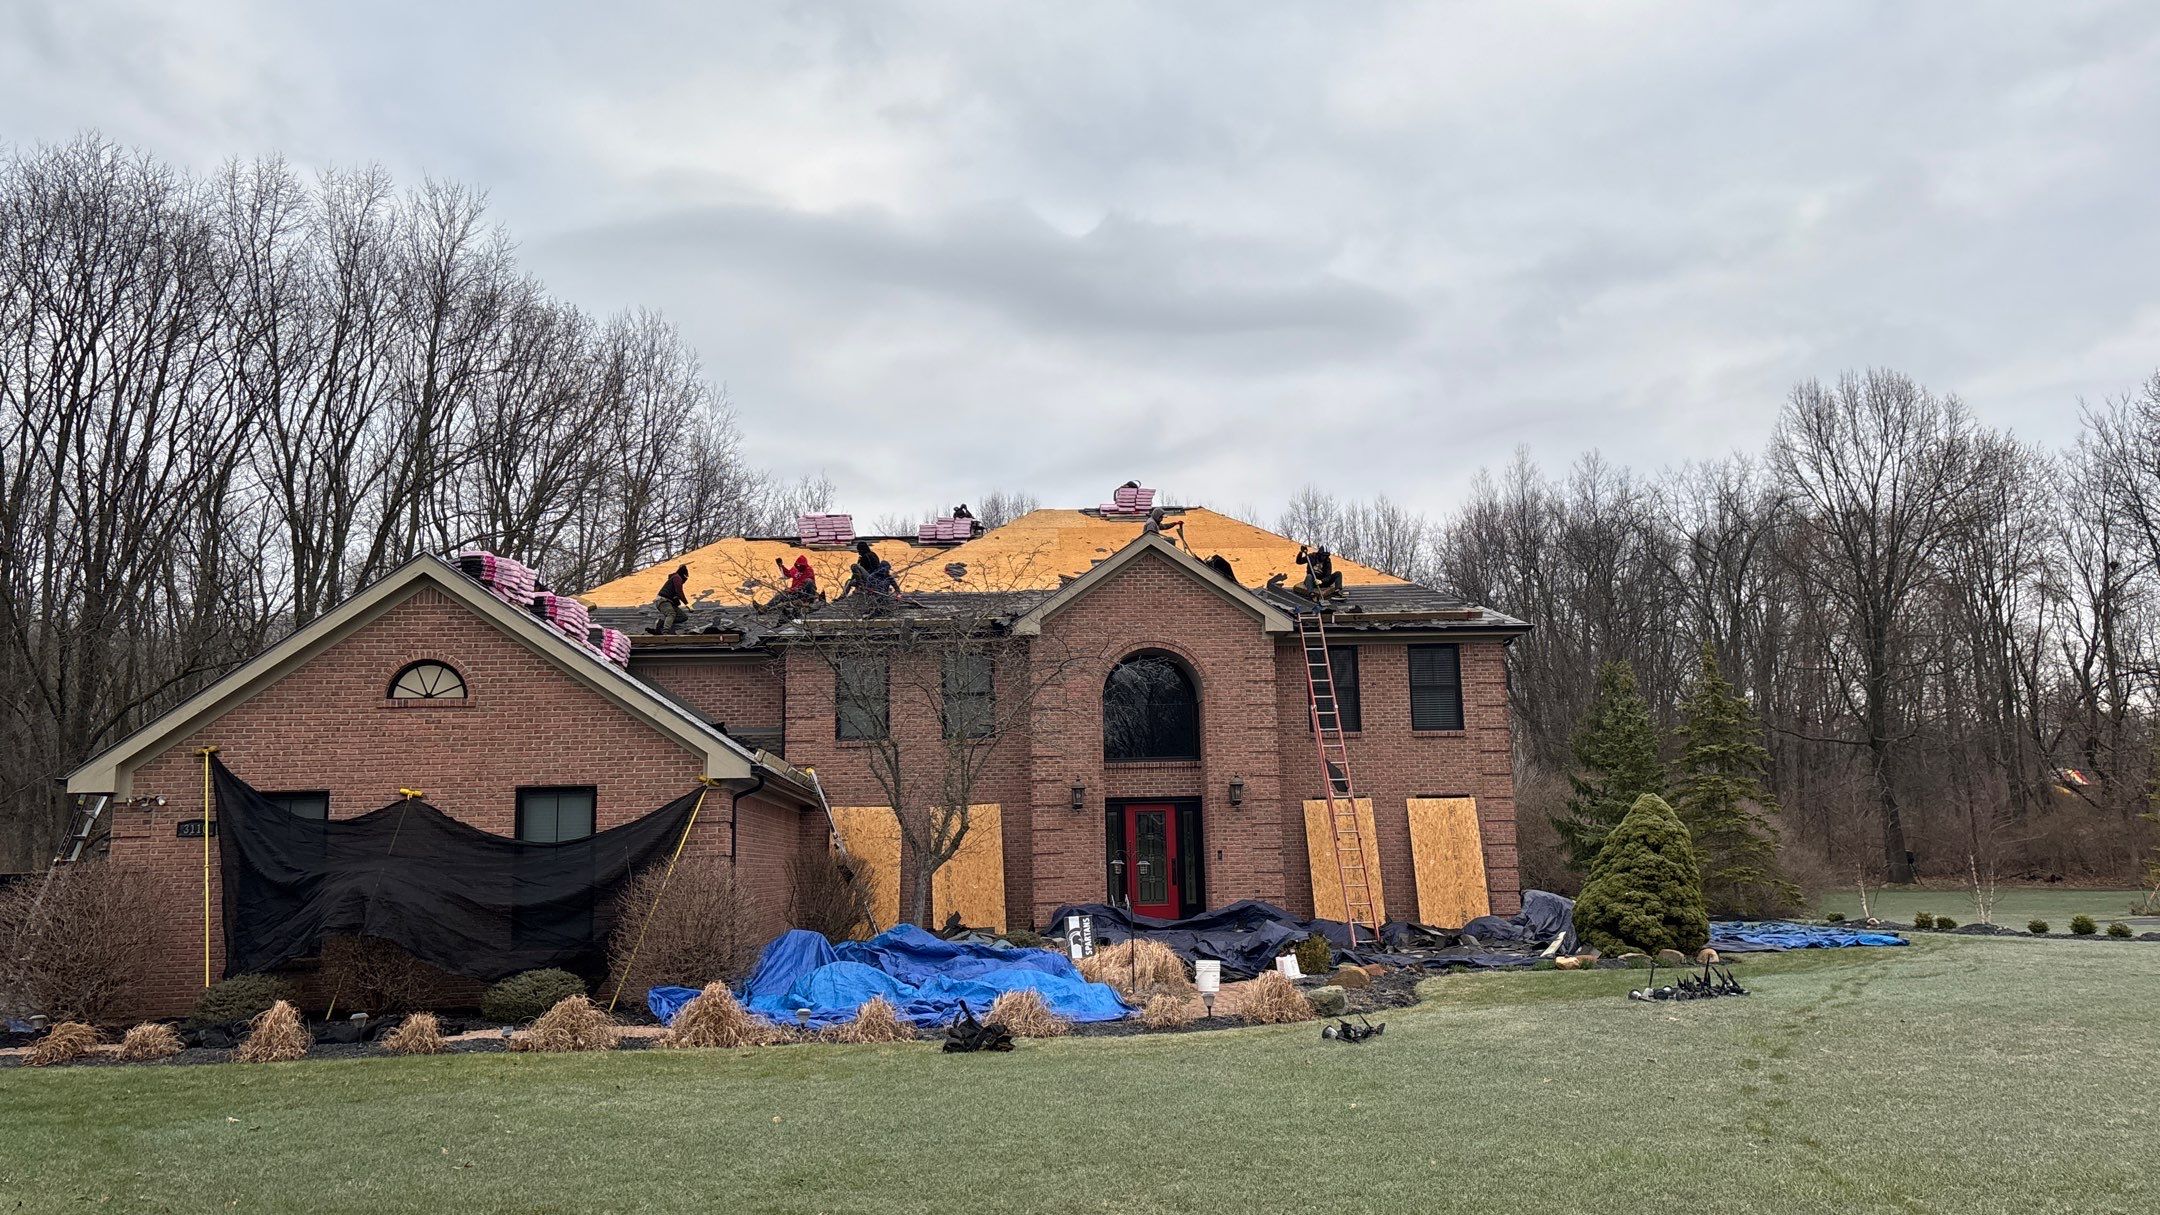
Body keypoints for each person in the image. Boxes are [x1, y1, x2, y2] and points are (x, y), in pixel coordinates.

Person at [841, 541, 901, 607]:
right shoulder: (873, 554)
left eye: (859, 550)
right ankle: (843, 596)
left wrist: (859, 563)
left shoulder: (865, 557)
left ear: (862, 549)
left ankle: (851, 592)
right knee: (849, 581)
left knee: (854, 567)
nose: (858, 552)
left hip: (869, 579)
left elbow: (860, 571)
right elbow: (894, 585)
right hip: (872, 580)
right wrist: (898, 593)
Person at [653, 563, 691, 633]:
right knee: (671, 614)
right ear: (683, 575)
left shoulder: (675, 579)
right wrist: (687, 604)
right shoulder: (677, 578)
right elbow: (679, 592)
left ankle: (661, 623)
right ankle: (665, 631)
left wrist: (676, 601)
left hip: (669, 601)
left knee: (683, 617)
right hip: (663, 600)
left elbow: (676, 594)